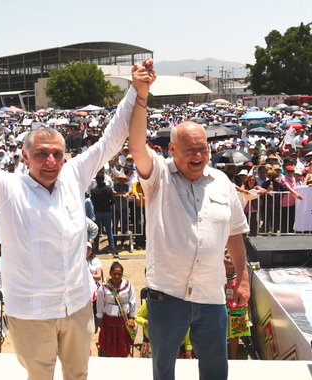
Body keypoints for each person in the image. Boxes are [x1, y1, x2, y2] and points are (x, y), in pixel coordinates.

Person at [0, 60, 152, 379]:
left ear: (65, 155)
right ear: (25, 157)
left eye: (56, 153)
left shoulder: (75, 175)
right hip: (30, 312)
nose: (50, 160)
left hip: (77, 305)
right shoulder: (8, 187)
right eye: (41, 153)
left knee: (78, 374)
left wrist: (136, 90)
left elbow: (111, 140)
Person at [128, 62, 250, 379]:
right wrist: (141, 96)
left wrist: (244, 278)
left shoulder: (222, 182)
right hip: (167, 297)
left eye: (203, 149)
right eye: (190, 150)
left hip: (211, 296)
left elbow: (235, 233)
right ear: (171, 149)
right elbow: (136, 145)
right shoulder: (157, 177)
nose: (198, 156)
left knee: (214, 370)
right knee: (164, 369)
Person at [96, 262, 137, 357]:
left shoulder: (128, 286)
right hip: (108, 322)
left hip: (123, 321)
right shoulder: (104, 287)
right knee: (107, 348)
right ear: (110, 273)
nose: (117, 276)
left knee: (122, 347)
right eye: (114, 273)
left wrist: (132, 318)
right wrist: (100, 319)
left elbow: (133, 302)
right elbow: (100, 304)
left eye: (119, 274)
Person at [224, 252, 251, 360]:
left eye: (232, 258)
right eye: (227, 257)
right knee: (217, 332)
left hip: (236, 308)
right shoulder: (217, 272)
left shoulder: (241, 275)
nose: (230, 260)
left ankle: (233, 357)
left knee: (234, 335)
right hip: (220, 306)